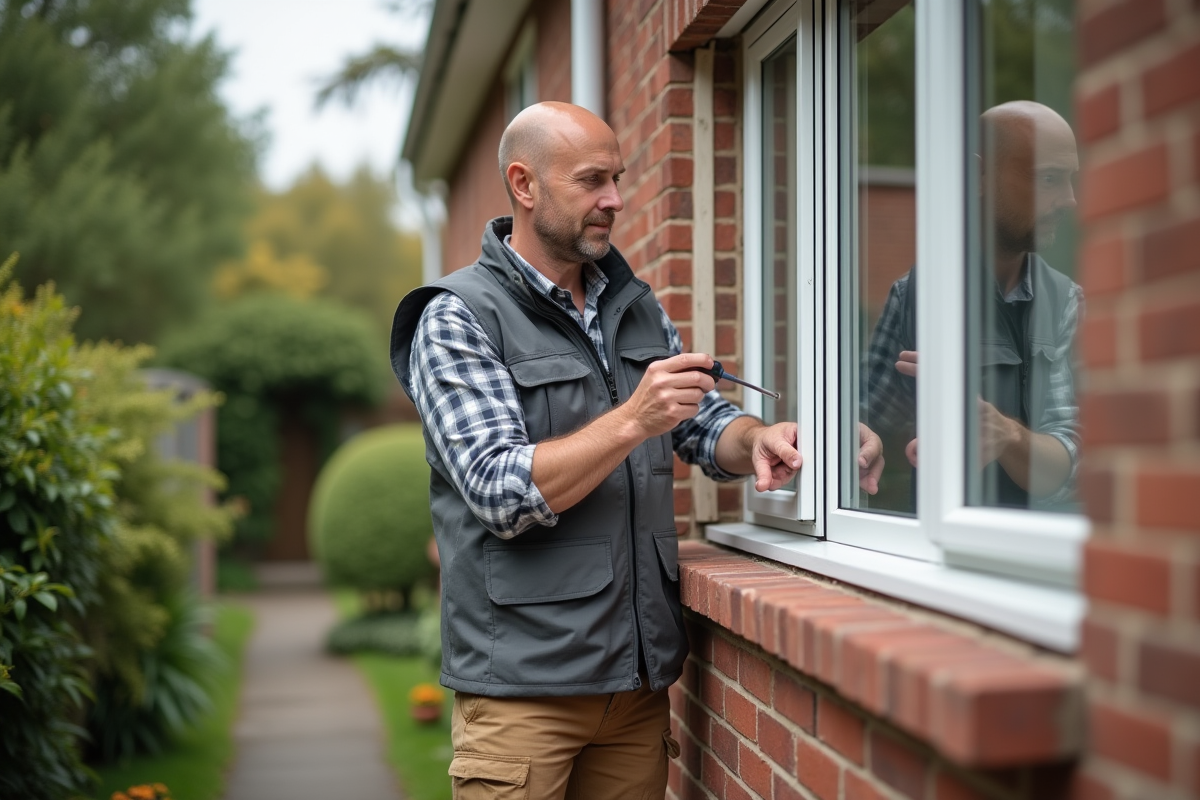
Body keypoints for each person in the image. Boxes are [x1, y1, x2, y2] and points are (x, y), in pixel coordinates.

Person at [391, 101, 884, 799]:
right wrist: (631, 419)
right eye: (593, 181)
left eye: (617, 179)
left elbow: (702, 425)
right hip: (524, 699)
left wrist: (761, 437)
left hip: (638, 689)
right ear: (524, 185)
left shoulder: (635, 307)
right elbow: (500, 491)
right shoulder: (458, 317)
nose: (615, 200)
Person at [861, 100, 1082, 509]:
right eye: (1049, 178)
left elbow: (1078, 466)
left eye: (1070, 180)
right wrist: (864, 444)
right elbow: (865, 425)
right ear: (977, 174)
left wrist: (1004, 433)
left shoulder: (1067, 302)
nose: (1069, 200)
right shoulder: (913, 296)